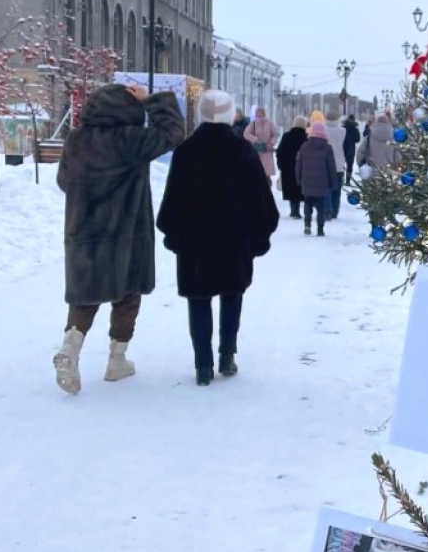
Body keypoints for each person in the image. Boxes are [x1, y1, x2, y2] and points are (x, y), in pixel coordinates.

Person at [52, 83, 185, 395]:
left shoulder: (77, 138)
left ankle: (71, 347)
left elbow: (63, 181)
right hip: (127, 232)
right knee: (127, 293)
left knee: (85, 295)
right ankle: (117, 360)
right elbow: (173, 133)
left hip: (84, 232)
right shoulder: (131, 139)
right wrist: (154, 101)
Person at [157, 90, 279, 386]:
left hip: (195, 244)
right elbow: (262, 203)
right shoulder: (243, 151)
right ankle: (227, 355)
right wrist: (259, 234)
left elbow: (172, 201)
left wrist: (173, 232)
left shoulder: (186, 151)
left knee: (198, 300)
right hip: (233, 242)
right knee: (231, 295)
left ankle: (202, 365)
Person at [296, 120, 337, 236]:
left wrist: (299, 179)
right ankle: (320, 229)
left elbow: (299, 165)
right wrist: (333, 183)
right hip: (322, 183)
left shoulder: (304, 146)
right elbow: (331, 167)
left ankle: (307, 225)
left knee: (308, 204)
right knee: (321, 207)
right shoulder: (327, 148)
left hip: (307, 182)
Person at [276, 115, 308, 219]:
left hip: (287, 168)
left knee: (291, 188)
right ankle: (297, 211)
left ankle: (293, 210)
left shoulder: (286, 136)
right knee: (299, 188)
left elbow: (280, 151)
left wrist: (280, 165)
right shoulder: (306, 137)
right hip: (302, 168)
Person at [244, 106, 278, 182]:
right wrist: (256, 140)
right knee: (262, 174)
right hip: (260, 150)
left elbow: (275, 134)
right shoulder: (253, 124)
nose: (259, 116)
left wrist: (271, 142)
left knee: (261, 174)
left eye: (261, 114)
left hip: (263, 150)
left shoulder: (268, 124)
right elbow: (246, 134)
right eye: (258, 114)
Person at [324, 112, 348, 219]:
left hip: (326, 162)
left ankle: (328, 210)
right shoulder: (343, 131)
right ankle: (335, 211)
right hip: (339, 163)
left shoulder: (323, 130)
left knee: (327, 187)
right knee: (337, 189)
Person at [343, 114, 361, 184]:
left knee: (340, 165)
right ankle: (348, 180)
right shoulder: (355, 129)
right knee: (349, 166)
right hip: (351, 148)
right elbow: (358, 139)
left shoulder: (343, 128)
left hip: (343, 147)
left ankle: (340, 179)